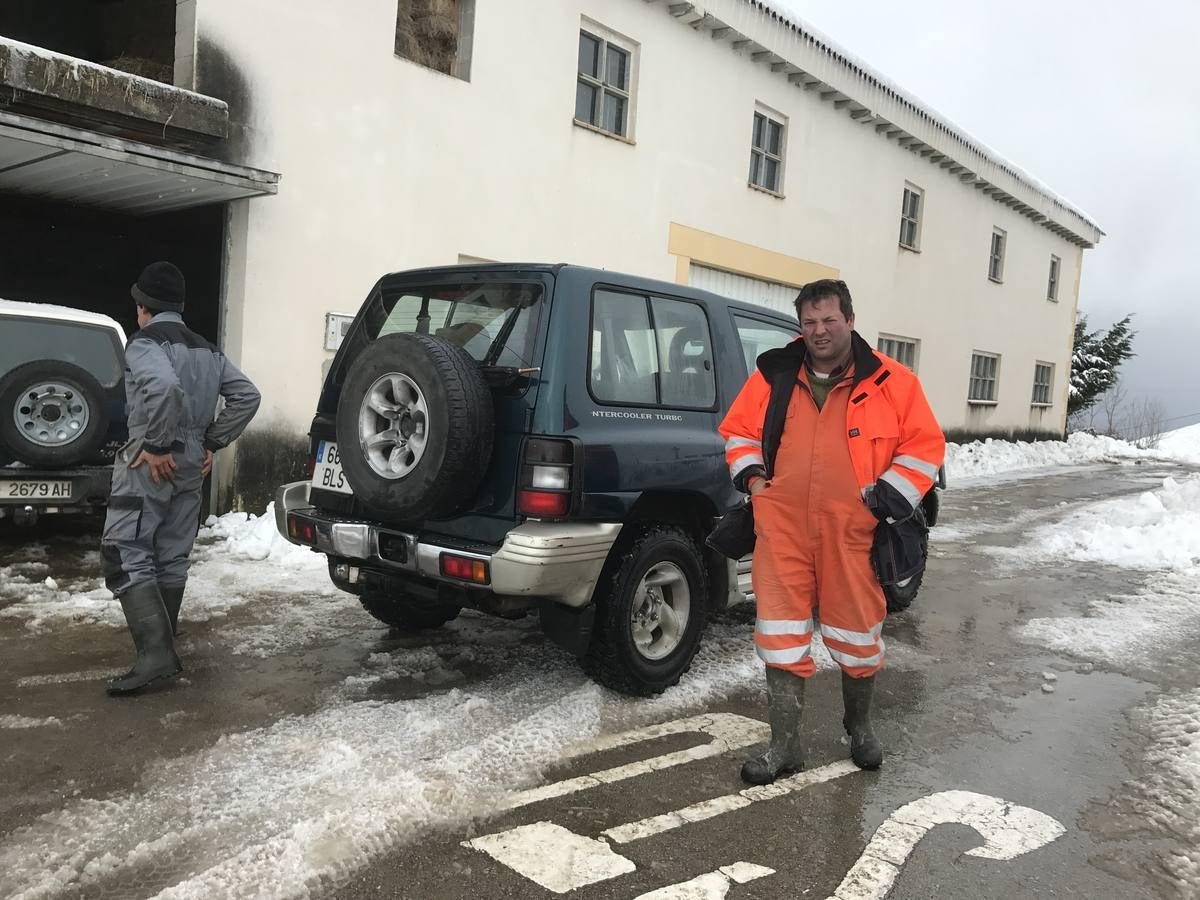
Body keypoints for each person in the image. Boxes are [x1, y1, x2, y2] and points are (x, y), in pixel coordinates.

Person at [719, 279, 944, 783]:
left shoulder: (894, 382)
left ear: (850, 320)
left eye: (829, 321)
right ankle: (785, 746)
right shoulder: (774, 376)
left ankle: (859, 728)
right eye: (809, 322)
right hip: (782, 529)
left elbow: (924, 447)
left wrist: (881, 502)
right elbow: (738, 431)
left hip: (852, 531)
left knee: (859, 633)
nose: (819, 331)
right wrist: (755, 482)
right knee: (779, 636)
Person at [102, 261, 261, 695]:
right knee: (172, 551)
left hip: (151, 457)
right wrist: (211, 441)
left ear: (142, 307)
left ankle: (155, 657)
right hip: (192, 459)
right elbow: (247, 396)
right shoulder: (207, 348)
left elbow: (166, 389)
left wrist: (156, 444)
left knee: (124, 550)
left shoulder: (144, 343)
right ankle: (165, 640)